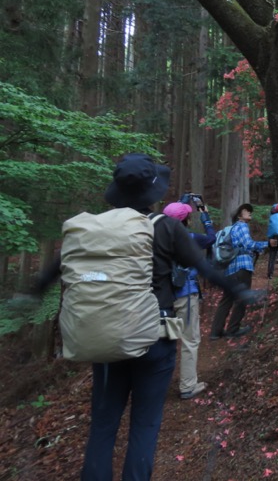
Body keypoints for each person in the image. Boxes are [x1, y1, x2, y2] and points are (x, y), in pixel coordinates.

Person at [33, 153, 263, 481]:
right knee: (144, 425)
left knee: (103, 426)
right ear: (151, 192)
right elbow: (205, 268)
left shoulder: (93, 228)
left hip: (109, 336)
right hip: (156, 337)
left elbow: (55, 270)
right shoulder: (167, 228)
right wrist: (240, 292)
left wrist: (32, 291)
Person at [162, 199, 215, 400]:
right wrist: (205, 216)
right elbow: (211, 238)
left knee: (165, 338)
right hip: (186, 293)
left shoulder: (159, 238)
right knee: (190, 339)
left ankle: (157, 383)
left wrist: (181, 203)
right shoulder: (190, 237)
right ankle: (188, 385)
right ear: (186, 219)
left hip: (164, 296)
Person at [209, 203, 269, 340]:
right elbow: (249, 245)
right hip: (242, 267)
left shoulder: (233, 229)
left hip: (231, 269)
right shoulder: (242, 226)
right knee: (242, 298)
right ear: (239, 215)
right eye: (246, 211)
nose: (249, 212)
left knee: (227, 299)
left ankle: (215, 332)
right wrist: (267, 244)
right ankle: (233, 329)